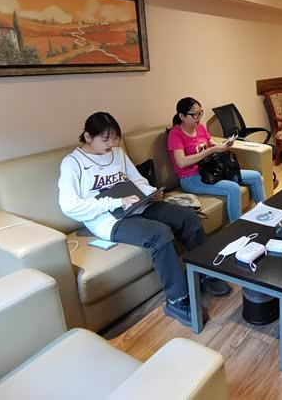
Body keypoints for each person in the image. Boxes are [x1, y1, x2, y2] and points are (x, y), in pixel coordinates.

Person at [58, 112, 220, 327]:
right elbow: (69, 206)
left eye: (114, 138)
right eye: (105, 139)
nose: (111, 144)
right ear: (88, 137)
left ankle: (205, 273)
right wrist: (114, 202)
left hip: (137, 205)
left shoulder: (118, 153)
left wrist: (151, 192)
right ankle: (177, 300)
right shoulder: (72, 163)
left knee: (187, 216)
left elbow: (137, 180)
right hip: (108, 219)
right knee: (159, 233)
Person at [168, 97, 266, 225]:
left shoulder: (200, 128)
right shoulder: (175, 134)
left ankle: (265, 213)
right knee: (233, 188)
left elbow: (213, 144)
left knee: (255, 176)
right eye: (194, 114)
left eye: (200, 113)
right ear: (182, 116)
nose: (198, 117)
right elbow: (181, 162)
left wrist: (225, 145)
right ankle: (237, 227)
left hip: (212, 171)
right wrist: (210, 151)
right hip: (191, 178)